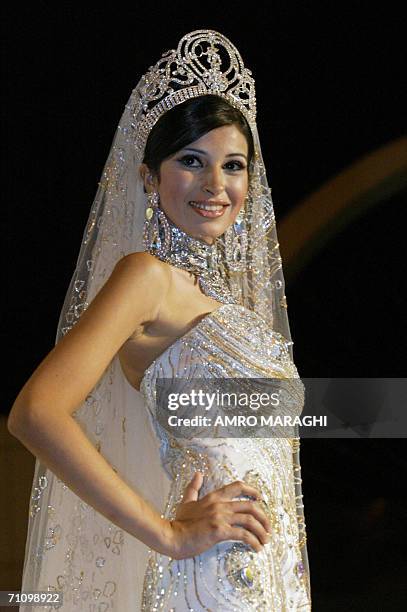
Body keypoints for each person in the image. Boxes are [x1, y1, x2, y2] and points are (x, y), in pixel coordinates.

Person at [8, 29, 312, 610]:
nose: (215, 185)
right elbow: (35, 413)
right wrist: (168, 533)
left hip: (274, 583)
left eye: (233, 165)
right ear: (149, 177)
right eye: (190, 161)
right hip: (210, 581)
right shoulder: (146, 278)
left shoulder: (238, 313)